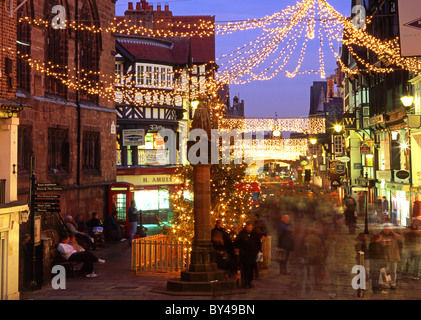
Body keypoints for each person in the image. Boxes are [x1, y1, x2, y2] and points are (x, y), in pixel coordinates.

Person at [234, 222, 262, 289]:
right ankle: (244, 282)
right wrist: (241, 251)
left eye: (250, 227)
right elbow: (237, 243)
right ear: (245, 227)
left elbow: (258, 243)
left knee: (251, 269)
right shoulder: (242, 234)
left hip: (252, 255)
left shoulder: (254, 234)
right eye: (248, 226)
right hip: (244, 255)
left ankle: (249, 282)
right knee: (244, 269)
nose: (249, 228)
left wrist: (257, 251)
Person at [380, 225, 403, 290]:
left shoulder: (394, 236)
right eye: (385, 229)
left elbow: (401, 239)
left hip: (394, 255)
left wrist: (393, 233)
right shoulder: (381, 235)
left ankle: (393, 283)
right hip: (385, 256)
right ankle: (385, 283)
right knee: (384, 270)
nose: (387, 231)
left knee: (393, 271)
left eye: (388, 229)